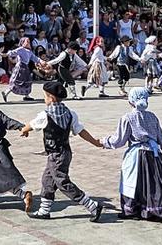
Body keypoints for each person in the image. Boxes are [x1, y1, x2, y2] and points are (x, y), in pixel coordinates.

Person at [100, 87, 162, 222]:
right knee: (160, 181)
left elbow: (119, 140)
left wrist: (103, 142)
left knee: (132, 181)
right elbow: (161, 139)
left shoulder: (128, 118)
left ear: (130, 101)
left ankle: (131, 209)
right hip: (154, 154)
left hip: (137, 154)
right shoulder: (152, 116)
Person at [21, 81, 104, 221]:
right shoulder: (70, 113)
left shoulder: (45, 114)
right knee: (47, 179)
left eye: (45, 97)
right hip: (65, 152)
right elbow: (80, 131)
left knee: (62, 181)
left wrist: (24, 130)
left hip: (56, 155)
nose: (44, 99)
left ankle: (92, 205)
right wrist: (94, 142)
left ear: (51, 98)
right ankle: (44, 210)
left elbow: (32, 124)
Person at [2, 38, 36, 102]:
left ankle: (26, 95)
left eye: (29, 42)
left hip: (26, 68)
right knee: (17, 81)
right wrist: (8, 53)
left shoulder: (29, 51)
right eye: (27, 42)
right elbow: (12, 53)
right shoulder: (21, 49)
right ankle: (6, 92)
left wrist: (41, 61)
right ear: (22, 43)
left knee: (27, 81)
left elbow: (34, 58)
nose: (28, 43)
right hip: (20, 68)